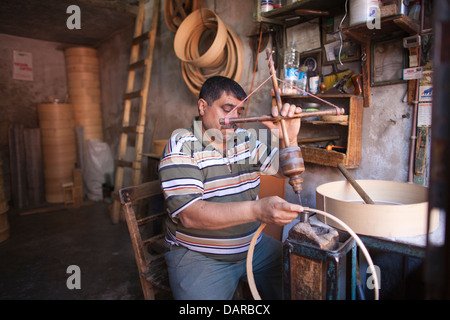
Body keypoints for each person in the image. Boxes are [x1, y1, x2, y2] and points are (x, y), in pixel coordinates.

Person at [158, 76, 303, 300]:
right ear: (202, 106)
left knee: (302, 280)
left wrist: (290, 139)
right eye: (227, 109)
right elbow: (190, 215)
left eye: (239, 111)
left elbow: (283, 170)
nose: (234, 119)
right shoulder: (182, 146)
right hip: (200, 255)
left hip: (253, 246)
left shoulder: (245, 139)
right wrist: (258, 210)